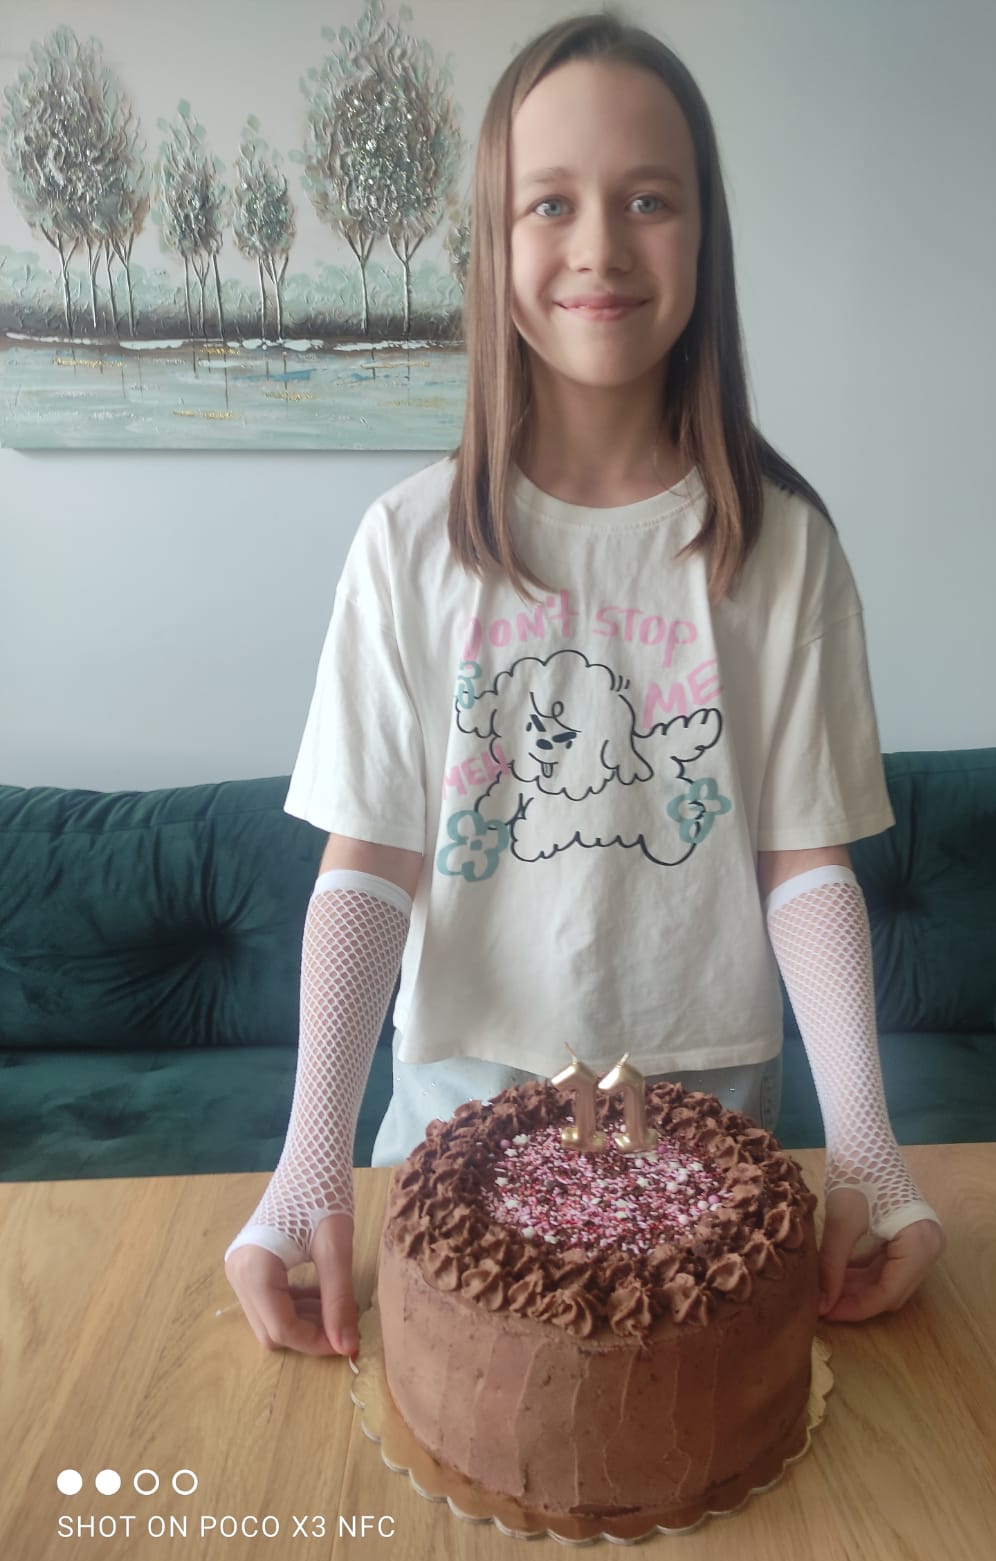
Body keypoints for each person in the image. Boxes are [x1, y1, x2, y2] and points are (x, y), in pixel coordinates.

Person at [225, 10, 945, 1360]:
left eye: (647, 200)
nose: (600, 245)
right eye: (549, 202)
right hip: (450, 1123)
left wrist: (866, 1146)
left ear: (704, 236)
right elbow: (368, 864)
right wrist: (306, 1163)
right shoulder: (407, 545)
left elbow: (805, 864)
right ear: (493, 243)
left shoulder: (783, 545)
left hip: (709, 1125)